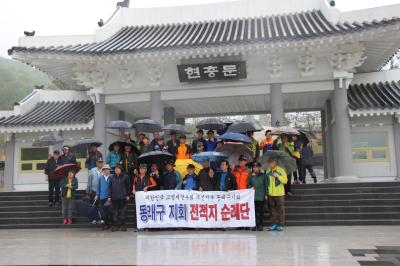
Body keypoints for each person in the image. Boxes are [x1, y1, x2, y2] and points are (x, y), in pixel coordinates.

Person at [266, 155, 288, 232]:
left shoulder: (281, 170)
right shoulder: (268, 171)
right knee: (272, 209)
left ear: (275, 162)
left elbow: (285, 180)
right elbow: (267, 182)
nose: (269, 164)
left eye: (270, 162)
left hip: (279, 193)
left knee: (280, 209)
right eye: (269, 163)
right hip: (270, 194)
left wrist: (278, 176)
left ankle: (281, 224)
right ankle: (273, 224)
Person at [108, 164, 130, 232]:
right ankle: (115, 226)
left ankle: (123, 225)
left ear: (121, 169)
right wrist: (109, 196)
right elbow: (110, 187)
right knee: (115, 212)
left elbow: (128, 186)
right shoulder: (112, 177)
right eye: (115, 169)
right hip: (114, 198)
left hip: (123, 197)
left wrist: (128, 195)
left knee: (122, 212)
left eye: (118, 168)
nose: (116, 170)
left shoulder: (125, 176)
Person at [247, 162, 267, 231]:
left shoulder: (263, 176)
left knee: (261, 211)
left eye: (256, 167)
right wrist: (251, 187)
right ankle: (254, 225)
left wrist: (266, 194)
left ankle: (260, 225)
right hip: (253, 196)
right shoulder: (251, 176)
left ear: (259, 168)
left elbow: (266, 185)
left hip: (261, 196)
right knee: (254, 211)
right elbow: (248, 184)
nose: (254, 168)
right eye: (254, 167)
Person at [95, 164, 113, 230]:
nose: (106, 170)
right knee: (103, 212)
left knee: (110, 211)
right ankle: (105, 224)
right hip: (102, 197)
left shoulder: (112, 177)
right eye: (104, 169)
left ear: (109, 170)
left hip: (109, 197)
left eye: (107, 169)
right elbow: (98, 187)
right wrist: (97, 195)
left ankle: (109, 224)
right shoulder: (100, 177)